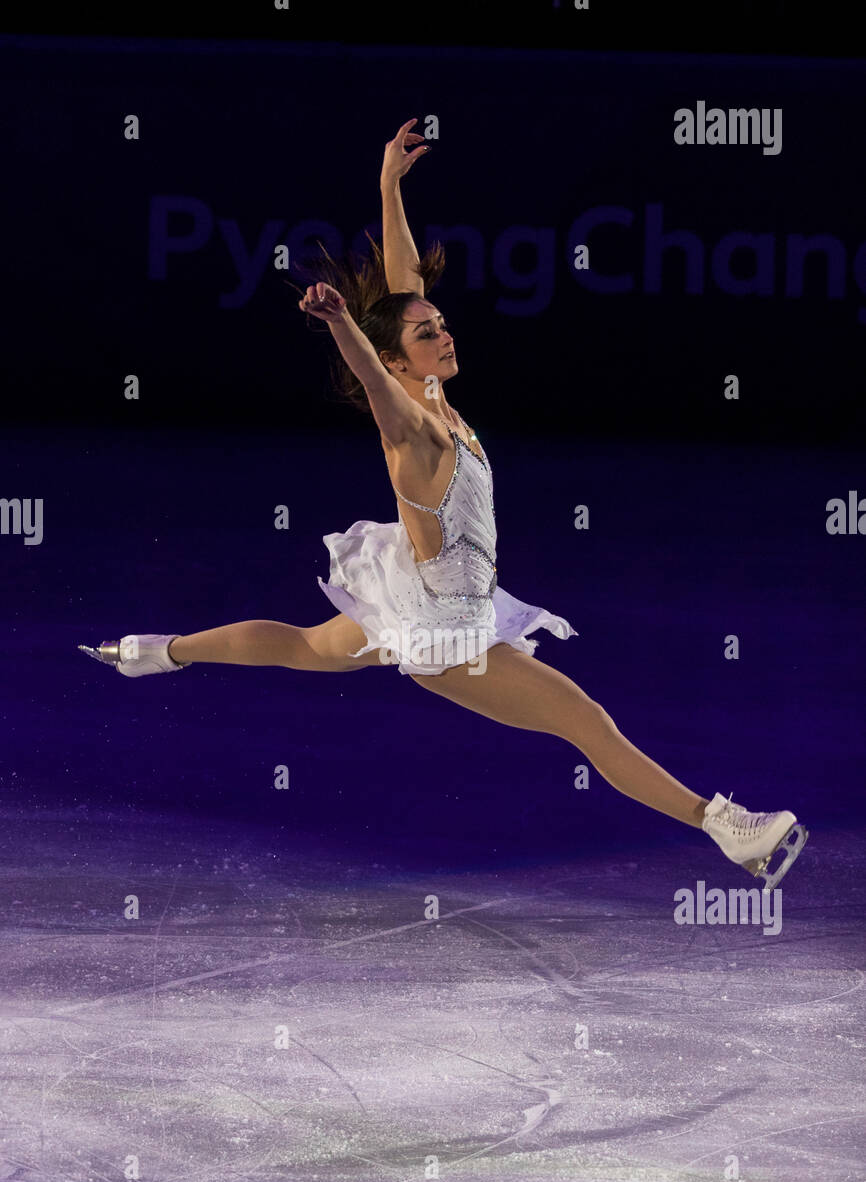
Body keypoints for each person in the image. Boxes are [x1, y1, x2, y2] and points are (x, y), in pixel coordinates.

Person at [79, 119, 807, 892]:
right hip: (446, 636)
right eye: (428, 336)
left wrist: (389, 187)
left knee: (304, 645)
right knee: (586, 722)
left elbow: (402, 290)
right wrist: (340, 328)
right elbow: (373, 373)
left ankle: (155, 650)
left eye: (442, 325)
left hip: (434, 589)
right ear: (395, 361)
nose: (444, 334)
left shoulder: (433, 390)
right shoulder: (413, 431)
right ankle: (727, 829)